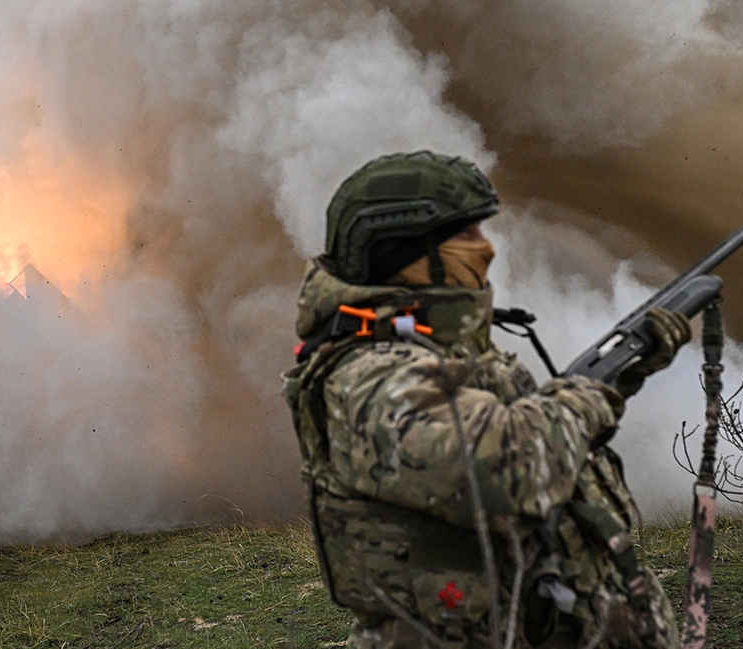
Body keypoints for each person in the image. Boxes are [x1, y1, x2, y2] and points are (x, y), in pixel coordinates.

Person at [282, 151, 691, 649]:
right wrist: (585, 400)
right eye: (466, 234)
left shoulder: (440, 350)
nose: (487, 248)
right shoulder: (370, 376)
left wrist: (618, 377)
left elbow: (537, 436)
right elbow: (506, 467)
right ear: (405, 252)